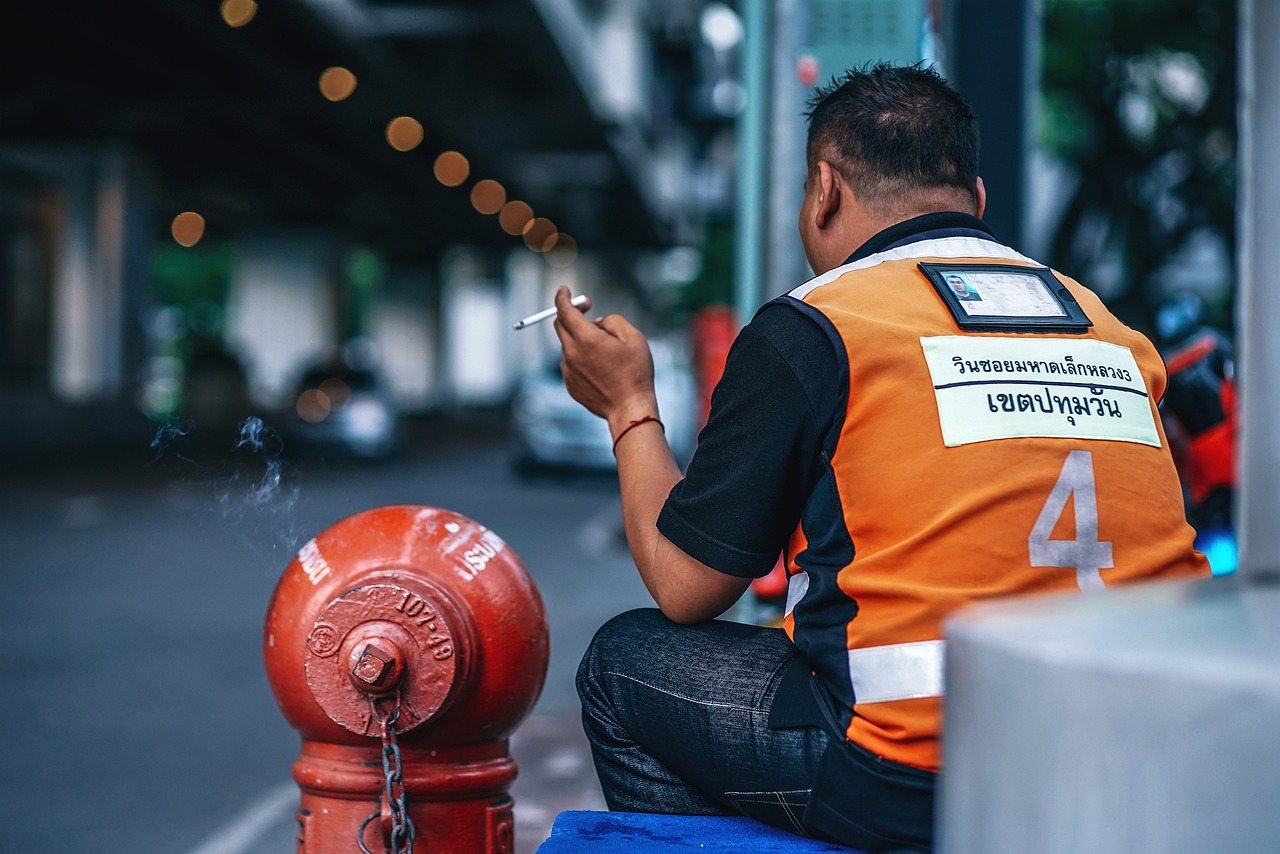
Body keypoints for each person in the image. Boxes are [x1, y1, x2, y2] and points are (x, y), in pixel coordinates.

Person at [551, 62, 1210, 853]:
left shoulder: (819, 324)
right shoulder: (1111, 329)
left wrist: (629, 404)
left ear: (823, 189)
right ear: (978, 200)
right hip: (1149, 749)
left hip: (916, 776)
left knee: (625, 663)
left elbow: (689, 586)